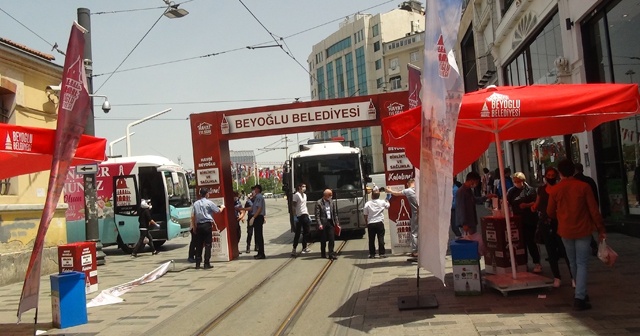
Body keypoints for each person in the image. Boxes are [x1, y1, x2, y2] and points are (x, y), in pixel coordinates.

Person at [547, 159, 606, 311]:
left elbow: (549, 212)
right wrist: (600, 229)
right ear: (573, 171)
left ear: (559, 173)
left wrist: (561, 215)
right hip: (583, 229)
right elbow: (594, 210)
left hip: (565, 230)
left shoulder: (556, 189)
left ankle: (580, 292)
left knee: (573, 262)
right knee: (582, 263)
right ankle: (580, 296)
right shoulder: (583, 187)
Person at [531, 167, 572, 288]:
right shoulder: (541, 189)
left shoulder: (561, 188)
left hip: (560, 222)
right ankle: (557, 277)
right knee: (551, 251)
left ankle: (573, 276)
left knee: (565, 250)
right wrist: (532, 207)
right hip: (545, 222)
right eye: (548, 175)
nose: (550, 177)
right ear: (545, 176)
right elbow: (537, 203)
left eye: (553, 175)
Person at [507, 172, 542, 273]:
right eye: (515, 182)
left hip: (530, 219)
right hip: (517, 220)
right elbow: (507, 201)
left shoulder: (530, 190)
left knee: (531, 242)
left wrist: (526, 205)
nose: (517, 183)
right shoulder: (511, 191)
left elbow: (536, 202)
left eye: (518, 181)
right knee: (520, 243)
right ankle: (524, 263)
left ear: (523, 181)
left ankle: (537, 262)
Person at [190, 188, 225, 269]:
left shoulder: (195, 203)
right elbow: (218, 211)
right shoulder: (209, 203)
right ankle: (206, 263)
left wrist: (194, 227)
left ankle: (197, 264)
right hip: (207, 225)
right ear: (206, 194)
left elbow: (193, 216)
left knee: (199, 245)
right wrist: (222, 207)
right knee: (208, 245)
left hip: (199, 225)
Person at [574, 162, 600, 256]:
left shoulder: (575, 182)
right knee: (587, 227)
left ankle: (590, 245)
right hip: (590, 207)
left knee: (583, 228)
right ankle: (591, 244)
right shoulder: (589, 180)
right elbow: (595, 195)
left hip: (580, 209)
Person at [390, 178, 419, 258]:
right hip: (425, 213)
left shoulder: (408, 191)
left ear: (408, 184)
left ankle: (415, 251)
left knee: (414, 233)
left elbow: (397, 193)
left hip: (416, 214)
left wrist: (390, 190)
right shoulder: (420, 189)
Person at [363, 188, 390, 258]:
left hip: (371, 223)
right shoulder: (382, 202)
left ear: (372, 196)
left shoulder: (367, 204)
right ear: (379, 195)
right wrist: (387, 200)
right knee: (381, 238)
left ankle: (372, 254)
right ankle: (382, 253)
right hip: (379, 222)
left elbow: (365, 214)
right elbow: (388, 206)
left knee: (371, 239)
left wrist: (366, 222)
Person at [315, 189, 338, 260]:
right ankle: (323, 253)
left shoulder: (332, 202)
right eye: (330, 195)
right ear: (325, 195)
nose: (331, 196)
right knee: (323, 239)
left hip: (330, 222)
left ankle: (331, 254)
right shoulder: (319, 202)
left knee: (331, 239)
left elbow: (334, 213)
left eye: (331, 195)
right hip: (323, 223)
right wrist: (319, 224)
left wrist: (337, 223)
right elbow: (317, 215)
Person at [291, 183, 311, 256]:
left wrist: (308, 214)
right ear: (299, 187)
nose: (304, 188)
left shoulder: (305, 195)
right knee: (298, 233)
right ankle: (294, 249)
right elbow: (293, 206)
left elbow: (304, 205)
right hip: (299, 215)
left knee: (307, 231)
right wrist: (294, 216)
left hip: (305, 214)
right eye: (303, 186)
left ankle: (304, 247)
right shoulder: (296, 195)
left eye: (305, 186)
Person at [247, 184, 266, 259]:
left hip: (258, 217)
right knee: (258, 236)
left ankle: (261, 253)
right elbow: (252, 208)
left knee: (259, 236)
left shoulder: (258, 197)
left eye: (254, 189)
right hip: (257, 217)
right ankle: (260, 253)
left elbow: (259, 208)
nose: (253, 191)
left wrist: (253, 218)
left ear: (257, 189)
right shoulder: (256, 197)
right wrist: (241, 209)